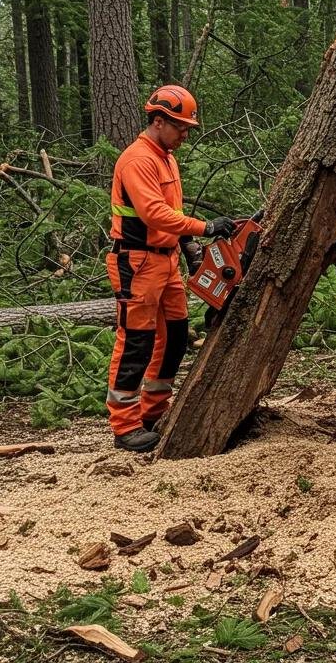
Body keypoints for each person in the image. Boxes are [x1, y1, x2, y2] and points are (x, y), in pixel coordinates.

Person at [105, 84, 232, 451]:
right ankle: (125, 424)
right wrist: (204, 228)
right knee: (136, 343)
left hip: (165, 259)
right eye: (181, 127)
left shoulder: (166, 157)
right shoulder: (138, 160)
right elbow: (153, 213)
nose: (185, 134)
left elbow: (170, 215)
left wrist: (189, 245)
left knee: (175, 336)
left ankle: (154, 410)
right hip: (137, 261)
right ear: (158, 121)